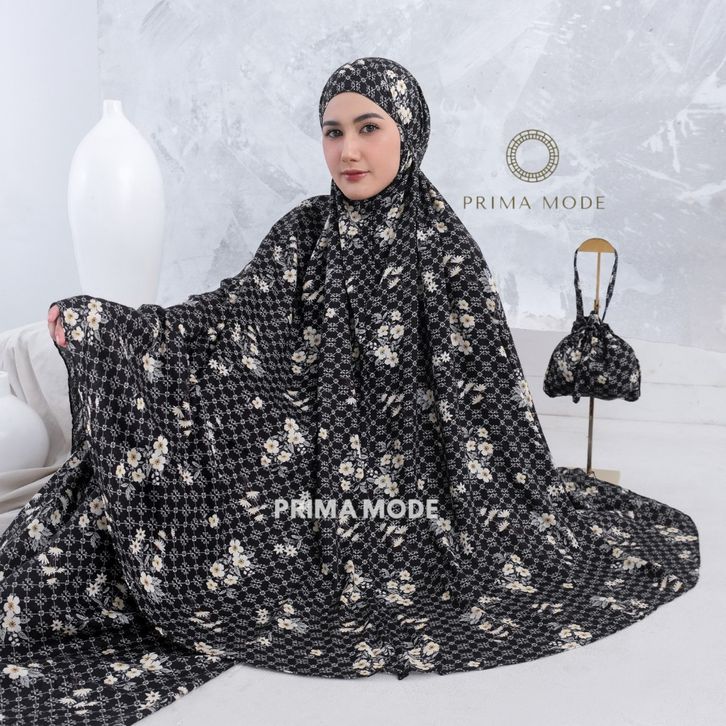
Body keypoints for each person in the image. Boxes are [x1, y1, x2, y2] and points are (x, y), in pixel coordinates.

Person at [4, 56, 699, 725]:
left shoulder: (446, 251)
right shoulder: (304, 232)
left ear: (408, 132)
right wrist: (106, 325)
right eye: (333, 132)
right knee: (101, 535)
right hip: (300, 478)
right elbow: (225, 320)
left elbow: (489, 403)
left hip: (422, 496)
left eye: (369, 127)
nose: (348, 151)